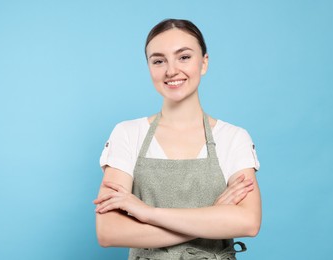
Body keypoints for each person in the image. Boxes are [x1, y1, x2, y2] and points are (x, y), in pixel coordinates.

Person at [94, 18, 262, 260]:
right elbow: (109, 231)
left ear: (204, 63)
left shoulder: (233, 138)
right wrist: (213, 216)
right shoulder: (128, 134)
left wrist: (147, 213)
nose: (171, 70)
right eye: (159, 61)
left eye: (184, 57)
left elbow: (248, 222)